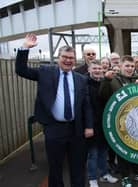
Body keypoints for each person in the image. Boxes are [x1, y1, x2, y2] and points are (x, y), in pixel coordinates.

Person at [15, 33, 94, 187]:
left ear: (75, 60)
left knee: (78, 167)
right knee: (55, 168)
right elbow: (21, 70)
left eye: (71, 58)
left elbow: (86, 105)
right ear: (58, 57)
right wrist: (25, 48)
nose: (68, 60)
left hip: (76, 130)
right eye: (65, 57)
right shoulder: (45, 72)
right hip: (54, 128)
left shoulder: (81, 79)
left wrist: (89, 126)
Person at [99, 55, 138, 187]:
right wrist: (106, 80)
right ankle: (125, 176)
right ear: (120, 66)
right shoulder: (113, 80)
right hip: (120, 122)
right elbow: (103, 96)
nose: (130, 68)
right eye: (127, 66)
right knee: (123, 151)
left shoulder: (137, 80)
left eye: (132, 66)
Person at [87, 62, 118, 187]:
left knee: (103, 152)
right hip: (91, 125)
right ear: (89, 70)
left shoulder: (106, 83)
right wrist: (88, 126)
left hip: (105, 124)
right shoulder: (85, 83)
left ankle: (104, 174)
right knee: (92, 154)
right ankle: (92, 178)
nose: (97, 70)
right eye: (94, 68)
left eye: (99, 68)